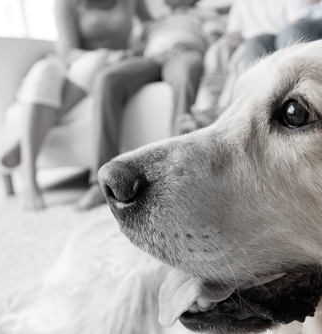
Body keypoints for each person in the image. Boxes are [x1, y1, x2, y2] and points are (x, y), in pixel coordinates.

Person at [0, 0, 151, 211]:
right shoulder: (66, 3)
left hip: (109, 66)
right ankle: (29, 176)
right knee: (44, 71)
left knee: (96, 63)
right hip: (78, 63)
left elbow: (150, 24)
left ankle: (26, 141)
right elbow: (67, 50)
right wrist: (107, 55)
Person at [75, 0, 220, 210]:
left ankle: (177, 173)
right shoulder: (152, 22)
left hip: (184, 53)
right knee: (107, 79)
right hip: (150, 58)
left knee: (187, 72)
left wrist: (204, 46)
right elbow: (137, 46)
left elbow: (215, 40)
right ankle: (99, 182)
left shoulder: (202, 13)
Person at [179, 0, 307, 133]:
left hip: (266, 42)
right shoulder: (241, 3)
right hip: (242, 41)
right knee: (217, 50)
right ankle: (203, 109)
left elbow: (298, 24)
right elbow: (233, 31)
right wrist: (233, 39)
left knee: (241, 56)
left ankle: (223, 109)